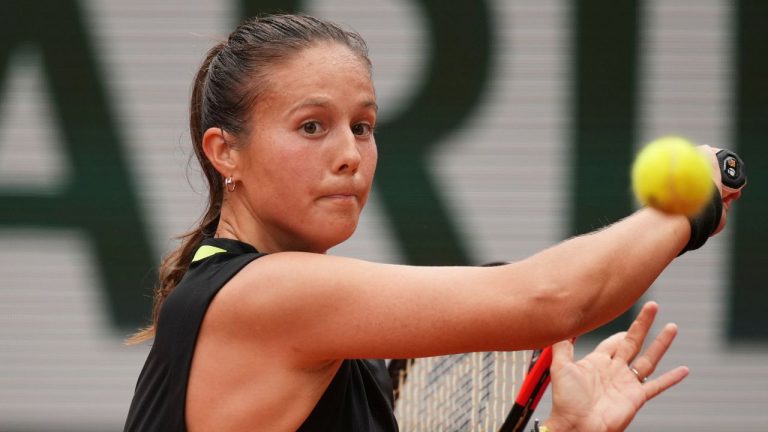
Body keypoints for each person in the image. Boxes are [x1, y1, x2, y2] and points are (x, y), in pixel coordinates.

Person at [123, 14, 742, 432]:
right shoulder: (262, 296)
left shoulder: (303, 328)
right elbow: (550, 299)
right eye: (312, 126)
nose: (349, 154)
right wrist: (692, 203)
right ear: (224, 151)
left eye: (362, 126)